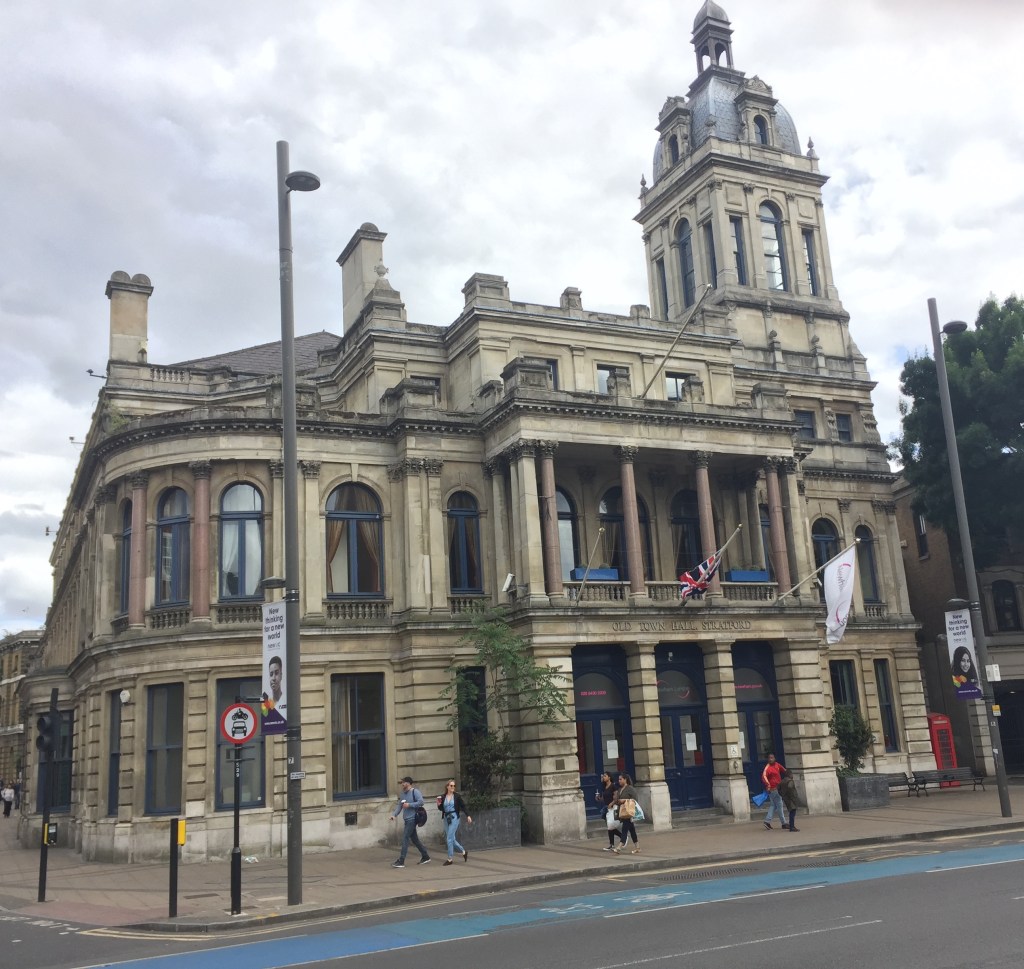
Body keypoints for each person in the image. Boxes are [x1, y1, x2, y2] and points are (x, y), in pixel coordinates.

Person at [388, 775, 430, 868]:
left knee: (405, 838)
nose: (402, 784)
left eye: (403, 782)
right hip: (406, 819)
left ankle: (401, 860)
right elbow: (399, 806)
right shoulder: (402, 794)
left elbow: (421, 802)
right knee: (415, 840)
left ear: (408, 783)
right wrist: (394, 815)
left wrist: (409, 805)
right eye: (402, 783)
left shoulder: (415, 792)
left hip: (412, 819)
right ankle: (425, 856)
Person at [437, 779, 472, 865]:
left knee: (449, 838)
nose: (453, 787)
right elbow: (442, 808)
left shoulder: (457, 796)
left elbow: (463, 806)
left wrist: (468, 815)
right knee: (451, 839)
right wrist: (439, 805)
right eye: (451, 786)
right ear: (447, 787)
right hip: (446, 818)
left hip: (454, 817)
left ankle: (450, 859)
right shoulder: (443, 796)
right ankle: (463, 851)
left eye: (454, 786)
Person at [610, 772, 641, 854]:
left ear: (625, 779)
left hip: (628, 812)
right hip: (622, 812)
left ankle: (619, 846)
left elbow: (635, 800)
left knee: (624, 829)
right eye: (619, 779)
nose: (619, 781)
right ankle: (637, 847)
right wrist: (616, 800)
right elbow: (618, 800)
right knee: (632, 830)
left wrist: (624, 800)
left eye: (620, 779)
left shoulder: (630, 789)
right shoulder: (620, 789)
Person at [595, 771, 624, 850]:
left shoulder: (613, 786)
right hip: (606, 808)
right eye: (603, 776)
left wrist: (612, 803)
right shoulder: (604, 787)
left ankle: (622, 837)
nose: (603, 777)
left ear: (609, 777)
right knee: (609, 826)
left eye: (605, 776)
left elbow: (616, 797)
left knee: (610, 825)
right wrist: (598, 799)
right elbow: (603, 798)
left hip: (613, 807)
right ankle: (613, 843)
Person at [762, 752, 786, 830]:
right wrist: (768, 785)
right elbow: (764, 777)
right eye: (769, 758)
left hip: (778, 788)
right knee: (779, 805)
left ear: (774, 758)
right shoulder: (767, 768)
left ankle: (767, 821)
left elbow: (784, 771)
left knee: (773, 805)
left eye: (772, 758)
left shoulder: (777, 765)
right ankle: (784, 823)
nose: (771, 759)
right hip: (773, 789)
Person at [777, 768, 800, 833]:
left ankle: (791, 826)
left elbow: (778, 788)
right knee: (792, 812)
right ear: (790, 774)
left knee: (791, 812)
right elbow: (791, 789)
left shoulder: (782, 781)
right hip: (791, 799)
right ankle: (792, 826)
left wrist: (782, 795)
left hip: (786, 798)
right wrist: (794, 798)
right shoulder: (790, 781)